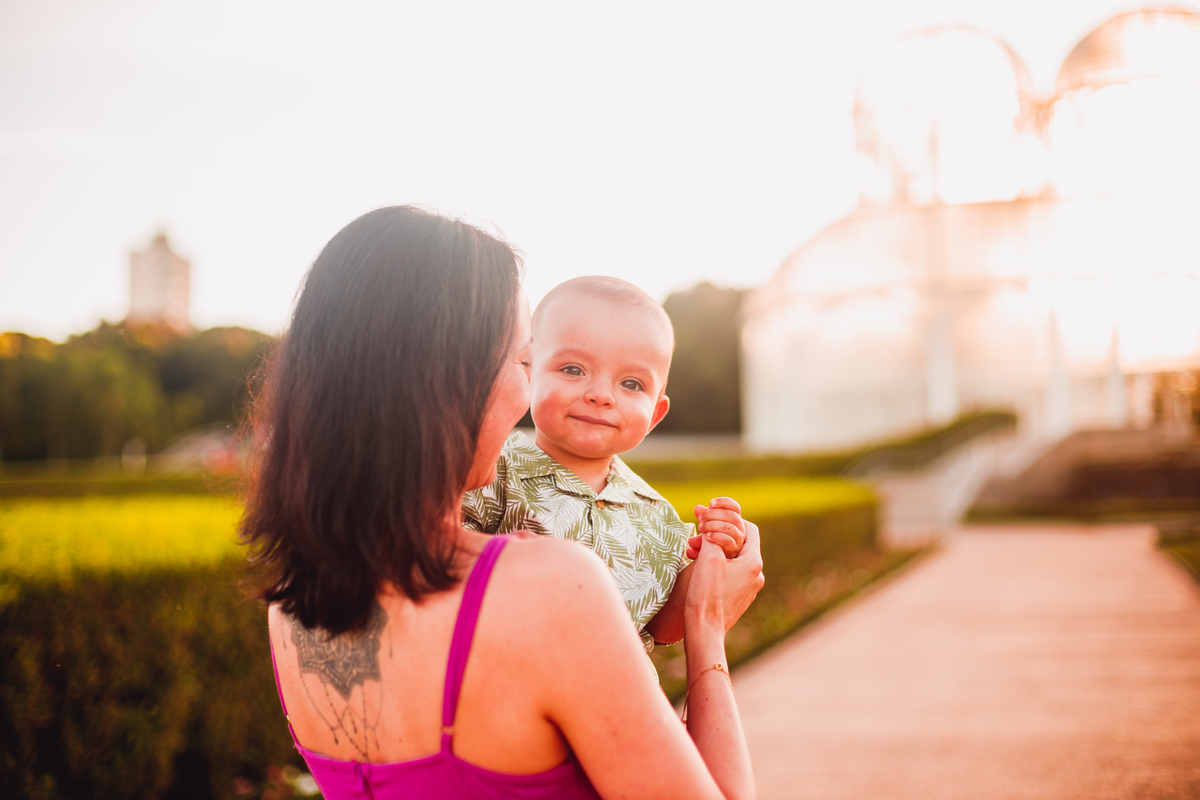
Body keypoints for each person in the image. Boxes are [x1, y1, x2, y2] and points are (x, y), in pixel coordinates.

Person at [241, 206, 765, 800]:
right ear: (450, 381)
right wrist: (707, 626)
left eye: (630, 384)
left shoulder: (293, 606)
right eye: (525, 361)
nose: (529, 390)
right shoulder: (545, 586)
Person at [462, 276, 747, 650]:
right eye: (573, 370)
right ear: (528, 373)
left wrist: (715, 558)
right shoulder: (494, 470)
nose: (600, 395)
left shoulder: (657, 516)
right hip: (510, 687)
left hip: (622, 703)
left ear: (656, 414)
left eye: (631, 384)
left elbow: (665, 626)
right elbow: (441, 565)